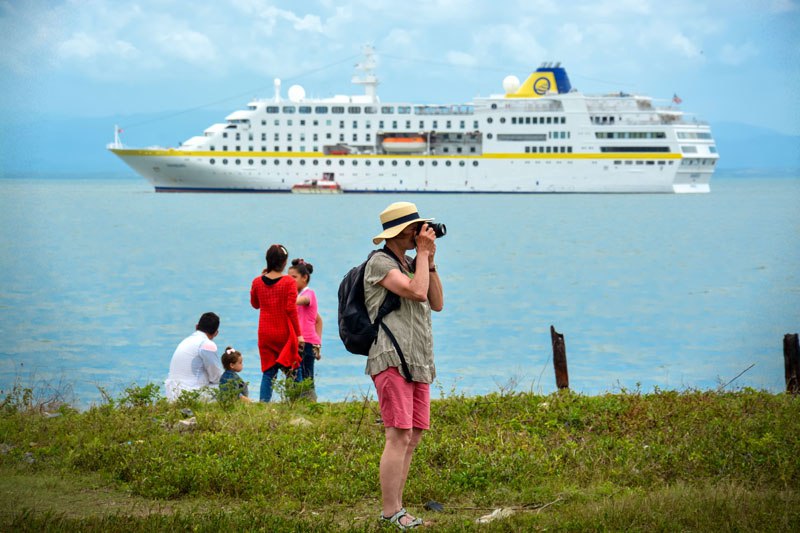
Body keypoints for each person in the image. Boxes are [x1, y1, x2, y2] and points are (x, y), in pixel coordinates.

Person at [365, 201, 444, 529]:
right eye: (415, 229)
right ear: (400, 232)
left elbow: (436, 302)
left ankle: (399, 507)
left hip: (417, 360)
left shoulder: (413, 263)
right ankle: (390, 511)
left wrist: (430, 260)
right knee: (398, 434)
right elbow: (416, 291)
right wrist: (423, 258)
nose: (420, 234)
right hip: (391, 358)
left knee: (414, 435)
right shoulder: (380, 264)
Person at [250, 244, 304, 402]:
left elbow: (255, 304)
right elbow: (291, 310)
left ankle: (263, 404)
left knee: (268, 371)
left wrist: (259, 280)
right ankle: (295, 402)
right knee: (293, 368)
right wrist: (299, 335)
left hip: (265, 332)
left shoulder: (257, 282)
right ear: (284, 262)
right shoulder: (288, 282)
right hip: (284, 333)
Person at [165, 312, 224, 402]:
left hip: (172, 395)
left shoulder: (186, 341)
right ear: (216, 333)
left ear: (196, 327)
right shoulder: (207, 344)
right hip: (190, 395)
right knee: (229, 388)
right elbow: (216, 377)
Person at [288, 258, 323, 401]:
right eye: (288, 278)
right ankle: (299, 400)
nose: (290, 281)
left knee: (306, 374)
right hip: (301, 341)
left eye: (293, 278)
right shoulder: (298, 296)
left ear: (305, 278)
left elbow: (302, 301)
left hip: (307, 342)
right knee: (298, 373)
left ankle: (309, 401)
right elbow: (318, 320)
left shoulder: (309, 294)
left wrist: (317, 343)